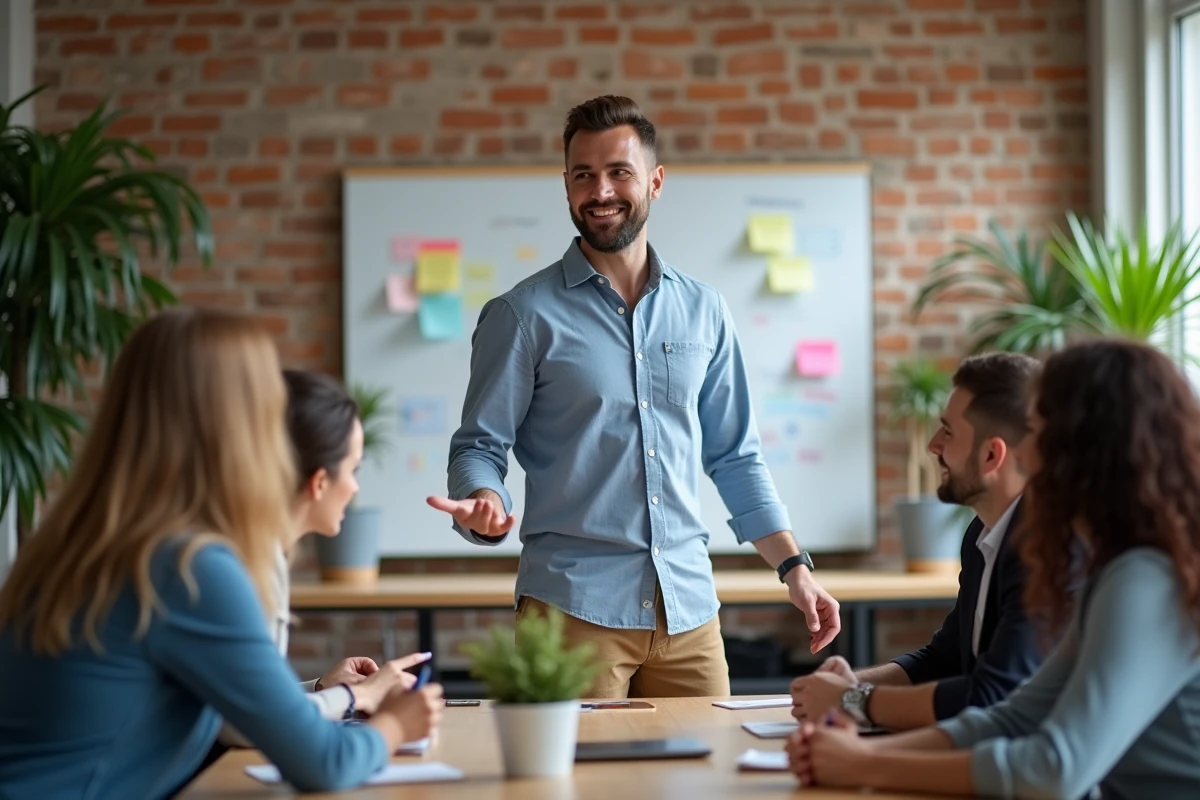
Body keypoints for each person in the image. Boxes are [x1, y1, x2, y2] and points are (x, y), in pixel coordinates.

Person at [426, 95, 840, 699]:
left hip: (690, 613)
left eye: (619, 172)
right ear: (565, 185)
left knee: (706, 784)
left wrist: (794, 568)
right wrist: (484, 497)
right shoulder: (520, 316)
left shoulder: (705, 311)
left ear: (655, 180)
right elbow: (479, 448)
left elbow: (736, 457)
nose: (601, 191)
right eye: (582, 175)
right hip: (572, 614)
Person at [0, 308, 442, 798]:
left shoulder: (80, 540)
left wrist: (327, 695)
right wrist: (397, 725)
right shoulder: (187, 566)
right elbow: (324, 763)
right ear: (237, 424)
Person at [787, 339, 1200, 799]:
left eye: (1039, 433)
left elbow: (1054, 769)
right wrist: (856, 752)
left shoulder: (1143, 577)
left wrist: (863, 759)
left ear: (1084, 451)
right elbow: (1014, 717)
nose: (1023, 456)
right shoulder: (1117, 566)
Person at [792, 352, 1044, 731]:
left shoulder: (1045, 551)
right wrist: (852, 684)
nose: (932, 445)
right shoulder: (981, 535)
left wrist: (852, 701)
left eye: (948, 432)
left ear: (992, 454)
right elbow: (942, 660)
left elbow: (992, 696)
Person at [213, 370, 433, 749]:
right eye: (354, 469)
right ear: (318, 482)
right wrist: (357, 700)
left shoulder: (262, 556)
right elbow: (250, 726)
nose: (356, 487)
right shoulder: (233, 569)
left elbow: (246, 707)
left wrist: (323, 689)